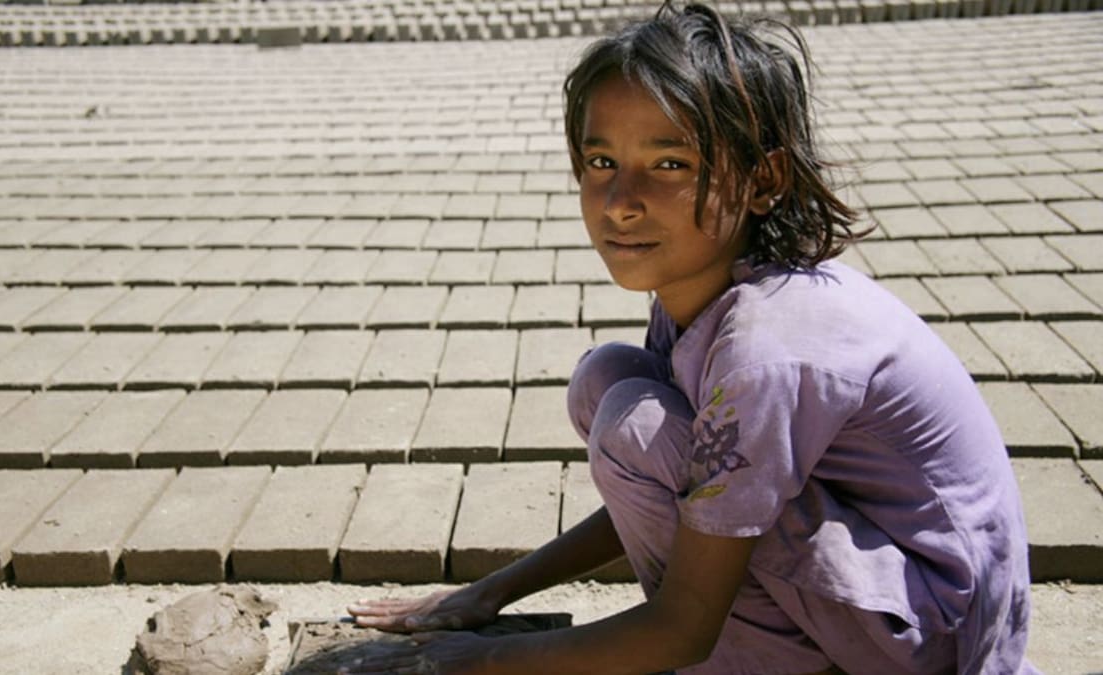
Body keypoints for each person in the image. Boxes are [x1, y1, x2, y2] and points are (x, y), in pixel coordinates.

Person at [344, 3, 1035, 673]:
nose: (621, 202)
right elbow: (698, 490)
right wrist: (493, 590)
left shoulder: (765, 350)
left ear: (763, 180)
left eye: (669, 164)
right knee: (608, 379)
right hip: (883, 594)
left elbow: (685, 624)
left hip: (931, 639)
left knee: (633, 424)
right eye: (601, 162)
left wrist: (478, 661)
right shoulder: (701, 291)